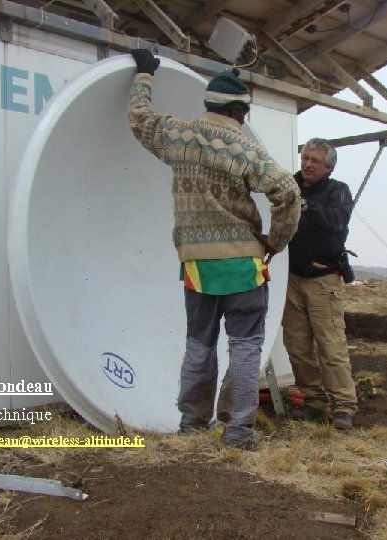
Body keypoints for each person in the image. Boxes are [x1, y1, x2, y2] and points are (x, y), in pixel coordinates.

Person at [128, 48, 301, 449]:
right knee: (245, 348)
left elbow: (140, 120)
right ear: (240, 112)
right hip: (243, 266)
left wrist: (145, 75)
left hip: (197, 267)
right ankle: (238, 431)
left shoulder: (178, 135)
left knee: (199, 345)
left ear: (208, 104)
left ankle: (192, 423)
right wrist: (276, 241)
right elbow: (288, 191)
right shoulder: (243, 148)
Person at [282, 138, 358, 431]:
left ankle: (343, 406)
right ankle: (313, 402)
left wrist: (306, 206)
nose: (308, 164)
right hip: (291, 278)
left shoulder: (338, 191)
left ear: (328, 167)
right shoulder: (289, 185)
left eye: (315, 160)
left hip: (323, 279)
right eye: (305, 158)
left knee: (330, 345)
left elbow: (337, 222)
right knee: (297, 344)